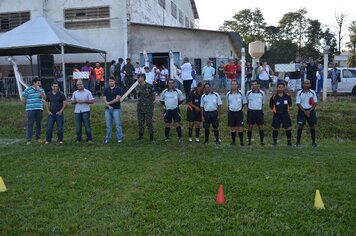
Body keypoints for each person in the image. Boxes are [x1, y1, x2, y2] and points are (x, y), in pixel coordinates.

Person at [22, 78, 46, 144]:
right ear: (34, 83)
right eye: (38, 83)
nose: (39, 84)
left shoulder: (41, 90)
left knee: (39, 124)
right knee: (30, 124)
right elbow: (23, 99)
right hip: (30, 110)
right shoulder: (27, 90)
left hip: (39, 109)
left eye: (39, 83)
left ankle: (38, 137)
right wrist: (28, 106)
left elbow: (45, 98)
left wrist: (40, 91)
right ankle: (28, 139)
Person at [269, 82, 293, 146]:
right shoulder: (274, 96)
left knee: (288, 128)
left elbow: (290, 104)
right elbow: (271, 105)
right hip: (277, 114)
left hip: (285, 114)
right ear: (277, 88)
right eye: (279, 87)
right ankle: (274, 141)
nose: (280, 89)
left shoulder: (287, 96)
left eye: (282, 87)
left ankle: (289, 142)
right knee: (275, 128)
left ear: (284, 88)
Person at [296, 80, 318, 147]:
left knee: (312, 126)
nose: (306, 85)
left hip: (311, 111)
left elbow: (315, 103)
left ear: (310, 85)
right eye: (305, 83)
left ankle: (313, 142)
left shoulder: (312, 92)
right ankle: (298, 142)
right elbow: (298, 103)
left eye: (308, 83)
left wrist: (310, 111)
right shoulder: (299, 92)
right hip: (302, 111)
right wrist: (304, 111)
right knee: (300, 126)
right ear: (303, 84)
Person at [136, 73, 156, 143]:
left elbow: (154, 96)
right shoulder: (138, 87)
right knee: (140, 122)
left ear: (142, 78)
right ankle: (140, 136)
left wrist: (149, 103)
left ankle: (151, 138)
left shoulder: (149, 86)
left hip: (148, 108)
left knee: (149, 122)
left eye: (138, 78)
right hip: (140, 107)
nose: (137, 79)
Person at [103, 76, 123, 144]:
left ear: (114, 82)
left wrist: (108, 103)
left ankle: (119, 138)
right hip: (107, 110)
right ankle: (108, 138)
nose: (110, 82)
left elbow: (117, 99)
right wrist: (108, 105)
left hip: (116, 109)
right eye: (109, 81)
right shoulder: (106, 89)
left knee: (118, 125)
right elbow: (104, 98)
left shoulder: (118, 89)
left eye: (112, 81)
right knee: (108, 125)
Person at [226, 80, 247, 146]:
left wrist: (239, 108)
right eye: (232, 84)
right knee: (232, 128)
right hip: (231, 112)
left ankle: (241, 142)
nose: (234, 85)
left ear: (237, 85)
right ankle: (233, 141)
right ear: (231, 85)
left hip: (239, 113)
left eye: (235, 84)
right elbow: (228, 103)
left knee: (240, 127)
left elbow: (244, 103)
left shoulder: (241, 93)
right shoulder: (228, 94)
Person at [246, 80, 265, 146]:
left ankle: (262, 141)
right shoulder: (248, 93)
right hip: (251, 111)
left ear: (258, 85)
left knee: (261, 126)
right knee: (250, 126)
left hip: (259, 111)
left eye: (255, 84)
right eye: (252, 84)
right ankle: (249, 141)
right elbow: (247, 102)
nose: (253, 86)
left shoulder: (262, 93)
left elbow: (263, 103)